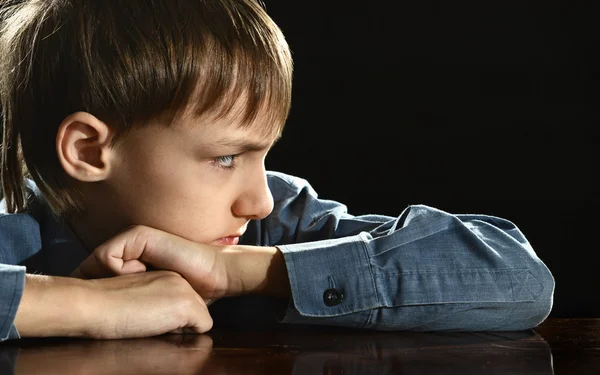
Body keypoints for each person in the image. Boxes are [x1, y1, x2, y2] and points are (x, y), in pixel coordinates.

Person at [0, 0, 554, 342]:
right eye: (225, 158)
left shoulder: (272, 230)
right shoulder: (14, 230)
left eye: (263, 154)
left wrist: (244, 270)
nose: (258, 200)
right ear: (90, 151)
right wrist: (84, 304)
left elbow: (521, 281)